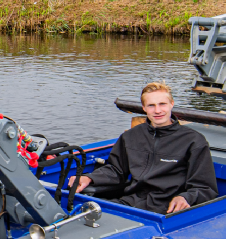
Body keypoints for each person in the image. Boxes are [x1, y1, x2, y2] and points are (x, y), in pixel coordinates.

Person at [67, 82, 217, 214]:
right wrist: (89, 178)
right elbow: (116, 170)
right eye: (151, 105)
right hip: (130, 203)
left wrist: (185, 197)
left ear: (172, 103)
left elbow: (205, 187)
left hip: (167, 209)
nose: (157, 111)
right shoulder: (131, 136)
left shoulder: (193, 141)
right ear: (144, 108)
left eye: (162, 104)